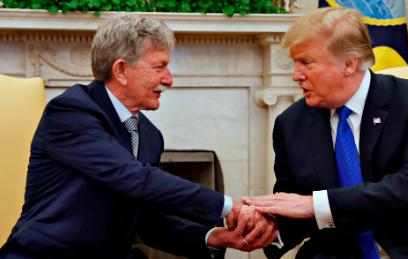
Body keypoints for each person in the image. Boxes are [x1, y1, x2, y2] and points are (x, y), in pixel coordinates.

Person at [0, 14, 276, 259]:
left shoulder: (149, 135)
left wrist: (214, 236)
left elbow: (149, 220)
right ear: (121, 70)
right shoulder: (71, 111)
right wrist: (226, 206)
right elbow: (133, 177)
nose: (169, 80)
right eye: (159, 67)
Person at [243, 7, 408, 259]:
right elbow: (296, 206)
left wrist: (316, 204)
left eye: (307, 62)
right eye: (294, 63)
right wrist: (265, 227)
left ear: (349, 64)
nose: (295, 75)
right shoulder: (291, 123)